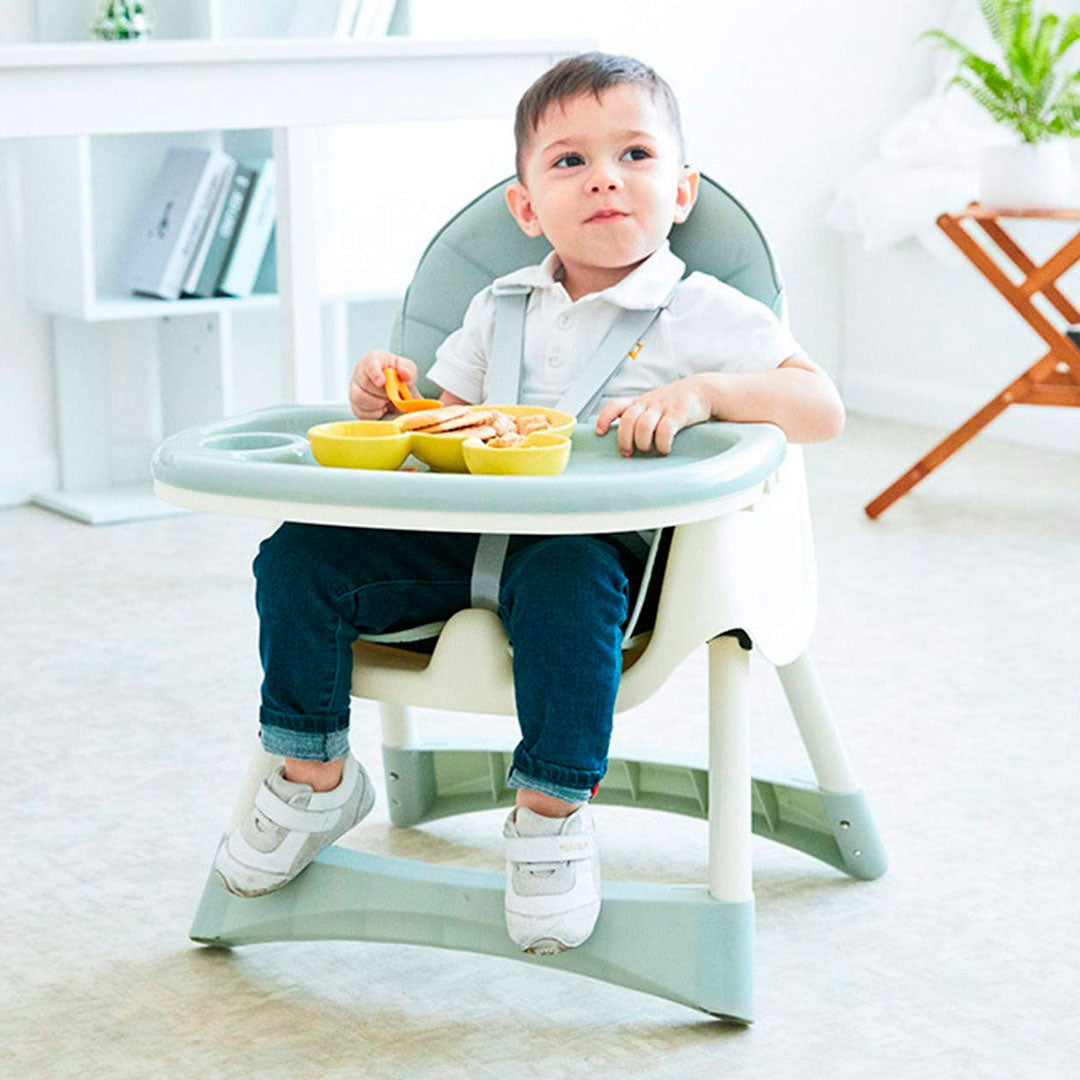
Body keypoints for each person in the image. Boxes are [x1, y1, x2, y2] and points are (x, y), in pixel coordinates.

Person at [213, 52, 844, 956]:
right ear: (525, 205)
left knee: (565, 585)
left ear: (681, 191)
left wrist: (704, 393)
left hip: (599, 556)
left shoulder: (704, 310)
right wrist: (387, 400)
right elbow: (438, 423)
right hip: (458, 538)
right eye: (569, 162)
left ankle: (550, 814)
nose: (604, 181)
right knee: (301, 555)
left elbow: (820, 408)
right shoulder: (499, 303)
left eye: (634, 155)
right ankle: (314, 775)